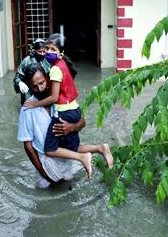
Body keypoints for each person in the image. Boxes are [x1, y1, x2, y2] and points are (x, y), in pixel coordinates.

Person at [22, 35, 109, 179]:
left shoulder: (56, 96)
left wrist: (72, 127)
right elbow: (28, 147)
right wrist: (43, 174)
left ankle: (87, 155)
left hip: (67, 163)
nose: (40, 87)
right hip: (47, 167)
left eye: (42, 82)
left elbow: (82, 121)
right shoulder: (27, 109)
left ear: (48, 79)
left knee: (69, 153)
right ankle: (93, 151)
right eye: (34, 86)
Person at [13, 38, 50, 106]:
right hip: (29, 91)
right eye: (39, 51)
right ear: (34, 50)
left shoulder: (48, 59)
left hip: (44, 89)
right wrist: (19, 83)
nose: (42, 54)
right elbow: (18, 76)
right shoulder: (26, 61)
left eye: (44, 51)